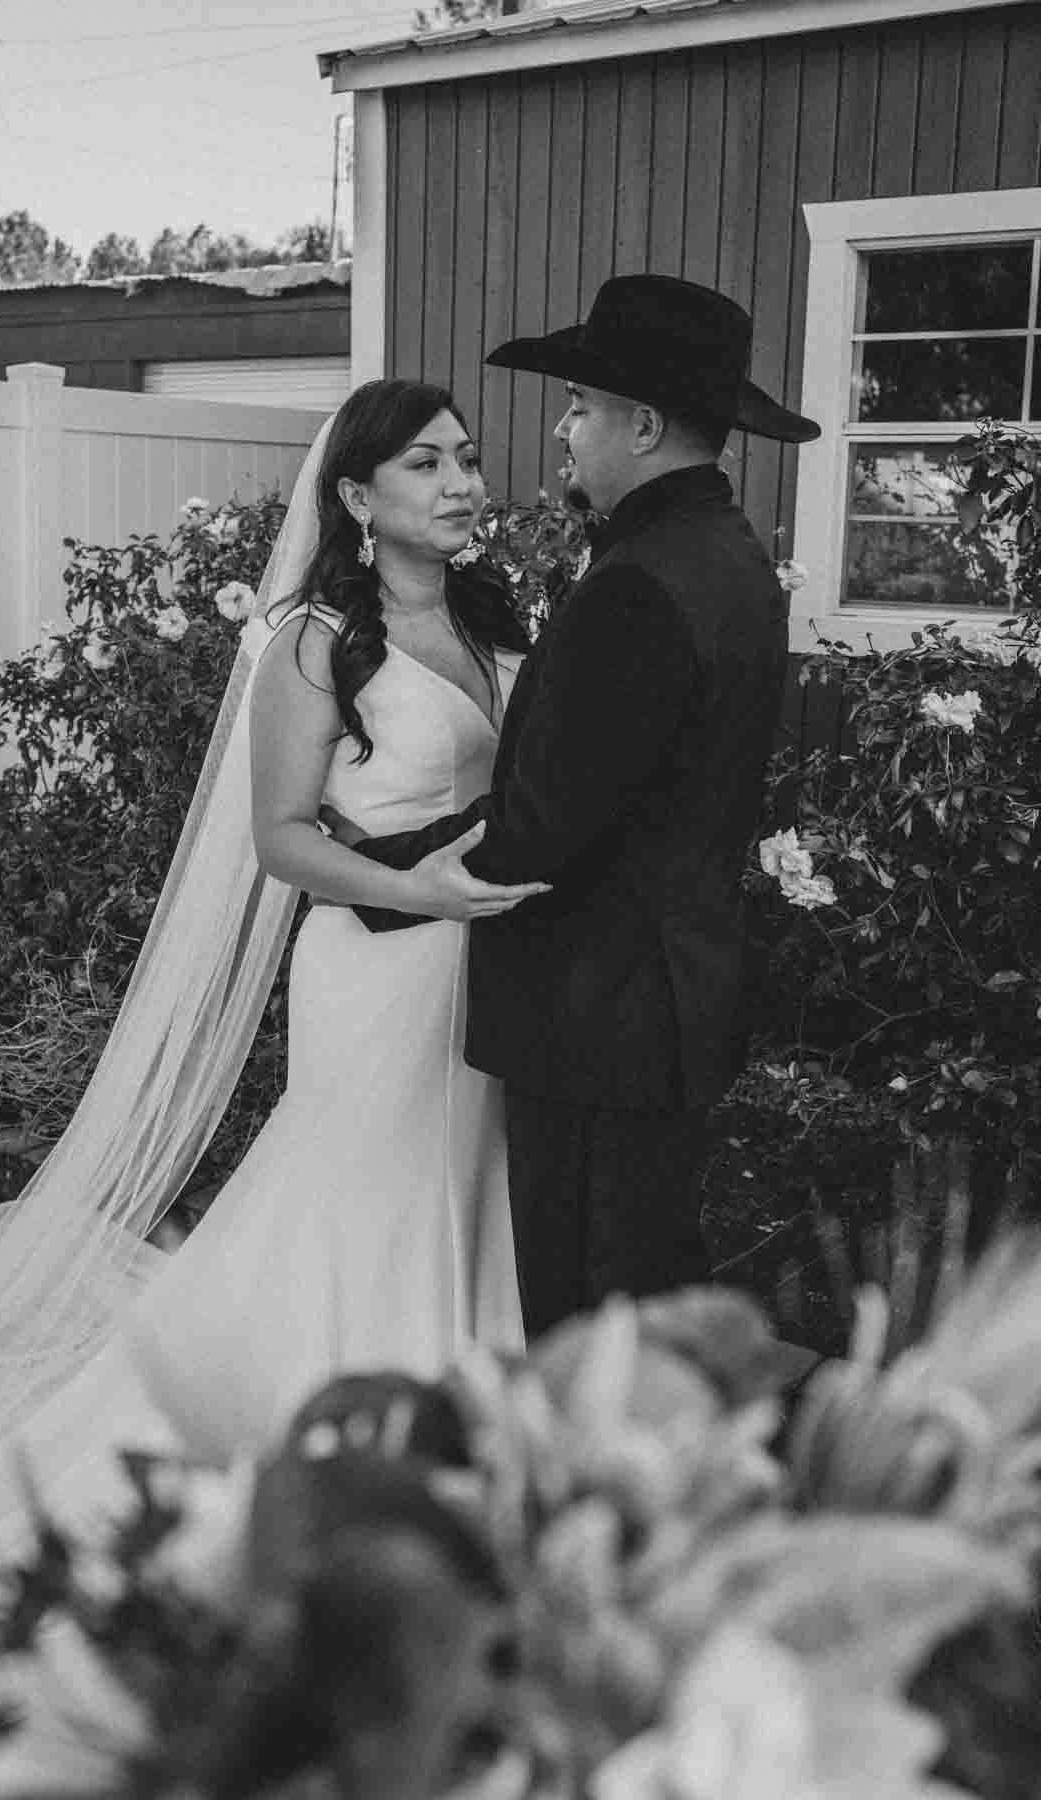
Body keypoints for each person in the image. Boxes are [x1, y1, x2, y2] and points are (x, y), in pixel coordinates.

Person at [0, 378, 543, 1727]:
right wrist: (434, 895)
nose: (462, 482)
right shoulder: (311, 642)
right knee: (357, 1186)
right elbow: (283, 838)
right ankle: (331, 1417)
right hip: (380, 963)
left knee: (460, 1177)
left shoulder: (487, 617)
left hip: (486, 966)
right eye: (427, 464)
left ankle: (446, 1397)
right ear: (354, 495)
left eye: (466, 459)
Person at [332, 275, 820, 1339]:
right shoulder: (726, 557)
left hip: (599, 1015)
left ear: (642, 427)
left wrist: (376, 877)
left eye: (583, 407)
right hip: (660, 996)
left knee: (585, 1318)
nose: (564, 426)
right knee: (639, 1302)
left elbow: (548, 824)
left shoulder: (641, 584)